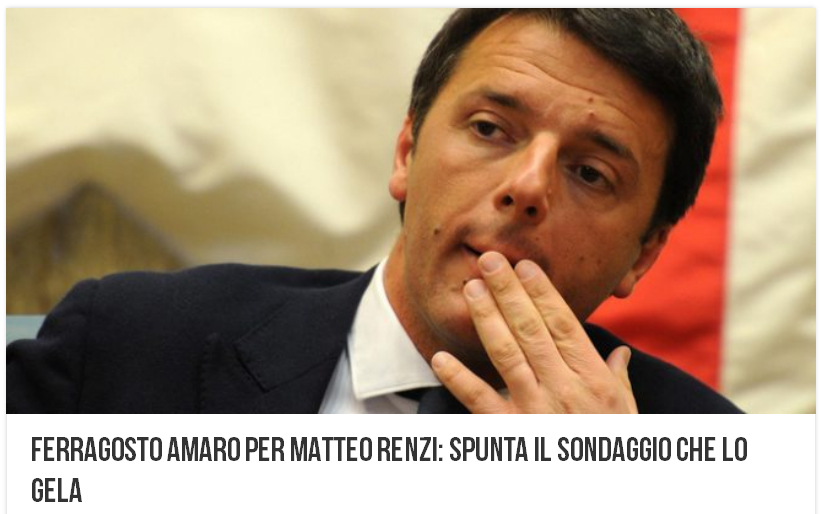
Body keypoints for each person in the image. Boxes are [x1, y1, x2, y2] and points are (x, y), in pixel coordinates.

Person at [7, 8, 741, 414]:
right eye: (491, 129)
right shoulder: (127, 342)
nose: (527, 187)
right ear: (406, 152)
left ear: (644, 254)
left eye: (589, 172)